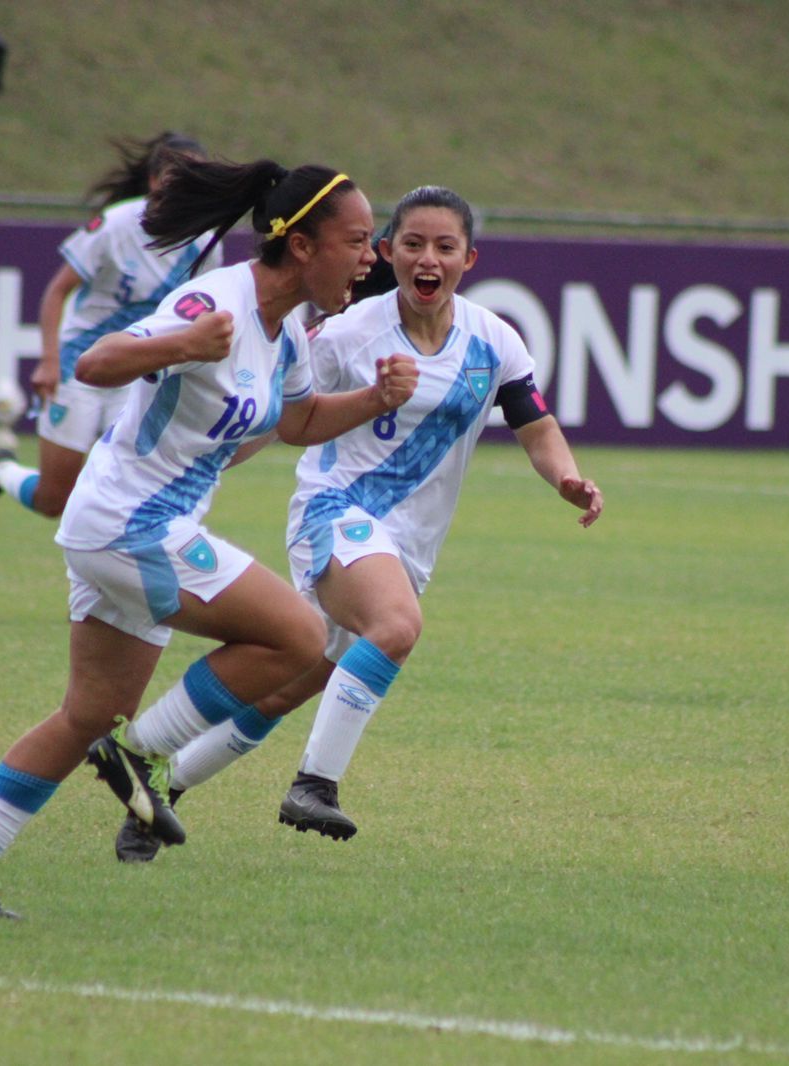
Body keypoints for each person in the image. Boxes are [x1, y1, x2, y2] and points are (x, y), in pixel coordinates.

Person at [0, 160, 418, 917]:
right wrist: (179, 345)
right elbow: (96, 361)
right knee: (299, 636)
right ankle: (142, 755)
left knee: (87, 713)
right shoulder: (215, 301)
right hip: (129, 524)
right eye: (357, 240)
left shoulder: (285, 336)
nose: (371, 255)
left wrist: (374, 398)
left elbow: (299, 423)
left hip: (137, 526)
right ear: (304, 246)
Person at [111, 185, 603, 862]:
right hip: (335, 512)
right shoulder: (347, 333)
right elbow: (283, 411)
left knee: (298, 679)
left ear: (469, 258)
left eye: (444, 246)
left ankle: (163, 787)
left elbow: (537, 427)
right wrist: (208, 463)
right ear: (385, 253)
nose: (427, 258)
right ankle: (314, 785)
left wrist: (567, 479)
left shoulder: (495, 340)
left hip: (409, 545)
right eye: (412, 243)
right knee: (396, 626)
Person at [0, 132, 221, 521]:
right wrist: (49, 361)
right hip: (79, 364)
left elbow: (200, 315)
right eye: (176, 175)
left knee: (124, 492)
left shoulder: (205, 242)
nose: (187, 185)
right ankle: (1, 469)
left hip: (136, 370)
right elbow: (57, 291)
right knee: (55, 501)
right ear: (154, 181)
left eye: (196, 177)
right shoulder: (115, 226)